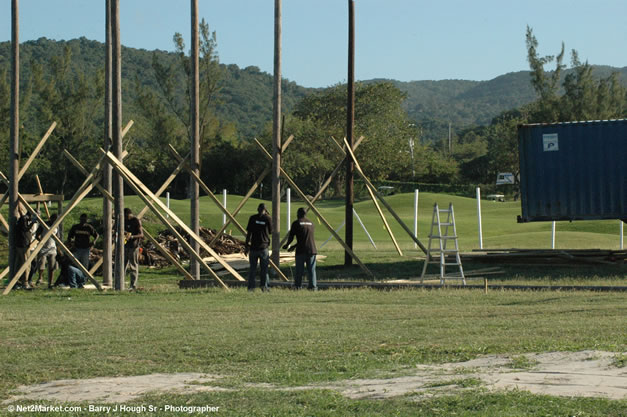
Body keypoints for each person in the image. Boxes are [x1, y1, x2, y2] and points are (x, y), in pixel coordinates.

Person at [283, 207, 317, 290]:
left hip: (301, 250)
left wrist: (287, 245)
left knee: (299, 270)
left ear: (298, 214)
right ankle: (313, 287)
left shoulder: (296, 223)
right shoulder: (311, 223)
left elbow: (291, 237)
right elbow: (305, 239)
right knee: (311, 270)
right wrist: (294, 246)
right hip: (312, 249)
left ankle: (298, 286)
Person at [245, 203, 272, 292]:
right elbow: (271, 231)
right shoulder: (268, 218)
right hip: (263, 247)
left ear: (258, 209)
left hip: (253, 247)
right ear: (265, 210)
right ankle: (264, 287)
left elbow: (249, 234)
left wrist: (246, 246)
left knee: (252, 269)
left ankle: (251, 288)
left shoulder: (252, 218)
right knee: (264, 269)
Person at [12, 204, 33, 289]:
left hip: (21, 244)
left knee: (19, 264)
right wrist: (32, 223)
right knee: (26, 264)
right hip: (23, 245)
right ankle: (25, 283)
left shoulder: (23, 219)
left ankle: (17, 281)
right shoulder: (24, 219)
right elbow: (25, 229)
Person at [35, 214, 59, 288]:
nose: (54, 221)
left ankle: (50, 282)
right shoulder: (44, 224)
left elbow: (58, 237)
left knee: (52, 266)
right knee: (41, 263)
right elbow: (37, 234)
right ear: (51, 218)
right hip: (44, 247)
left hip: (52, 248)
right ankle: (40, 277)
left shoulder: (57, 226)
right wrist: (41, 241)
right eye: (53, 219)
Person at [124, 208, 143, 290]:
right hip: (125, 245)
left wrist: (132, 237)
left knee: (133, 266)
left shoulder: (136, 220)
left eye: (126, 215)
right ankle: (120, 284)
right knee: (122, 265)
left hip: (134, 246)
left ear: (129, 214)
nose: (125, 217)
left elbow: (141, 234)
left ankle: (133, 285)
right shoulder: (123, 220)